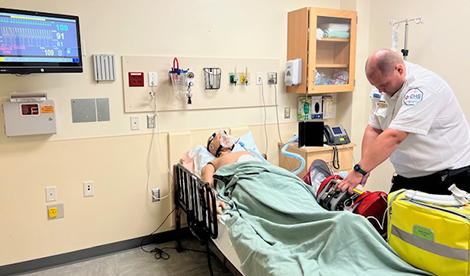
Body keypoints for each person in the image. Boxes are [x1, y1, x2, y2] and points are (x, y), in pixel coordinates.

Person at [337, 49, 470, 195]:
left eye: (384, 85)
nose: (381, 90)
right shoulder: (383, 90)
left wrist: (359, 171)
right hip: (408, 176)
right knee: (391, 215)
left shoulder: (423, 88)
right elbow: (374, 129)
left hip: (447, 176)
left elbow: (395, 136)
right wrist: (364, 168)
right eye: (376, 86)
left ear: (399, 69)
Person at [201, 129, 261, 216]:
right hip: (247, 183)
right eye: (218, 136)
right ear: (211, 147)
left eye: (225, 134)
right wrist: (212, 201)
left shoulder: (246, 152)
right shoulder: (213, 164)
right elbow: (207, 185)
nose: (224, 135)